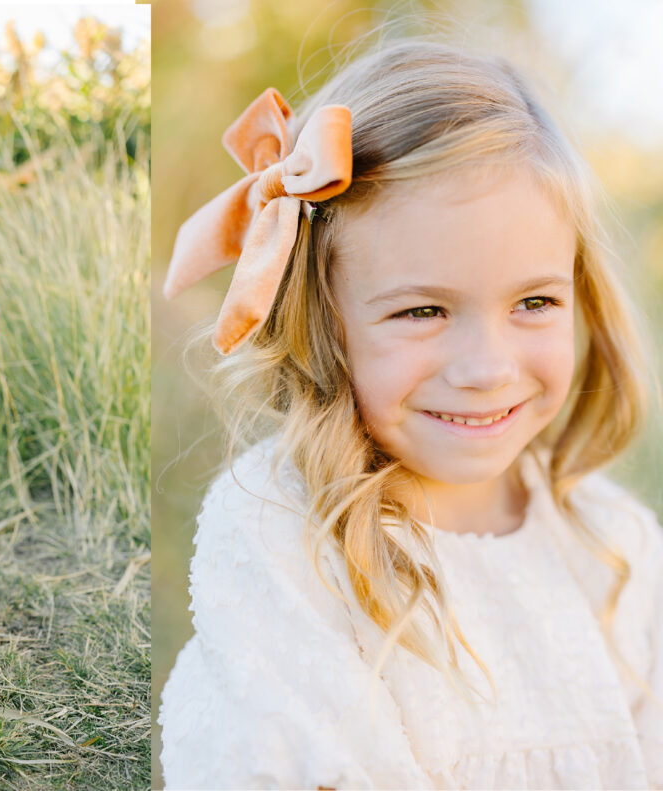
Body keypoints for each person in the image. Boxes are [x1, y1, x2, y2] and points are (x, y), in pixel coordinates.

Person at [158, 40, 663, 788]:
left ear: (581, 298)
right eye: (423, 309)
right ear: (325, 320)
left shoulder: (613, 541)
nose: (488, 368)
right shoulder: (278, 531)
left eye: (534, 302)